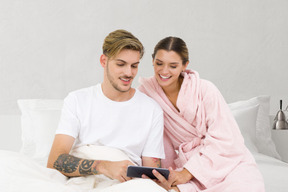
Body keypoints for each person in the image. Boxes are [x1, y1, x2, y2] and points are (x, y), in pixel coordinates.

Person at [139, 37, 265, 192]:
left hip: (224, 160)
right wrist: (167, 173)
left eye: (173, 66)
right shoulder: (147, 92)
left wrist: (189, 172)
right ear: (152, 61)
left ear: (185, 65)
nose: (164, 71)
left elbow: (226, 139)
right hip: (185, 164)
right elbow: (151, 136)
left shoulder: (205, 90)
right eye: (159, 63)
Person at [47, 29, 165, 184]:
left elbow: (152, 175)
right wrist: (104, 167)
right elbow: (55, 160)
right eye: (121, 64)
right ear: (104, 61)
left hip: (125, 183)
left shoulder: (152, 110)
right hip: (81, 179)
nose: (129, 73)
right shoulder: (77, 100)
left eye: (134, 66)